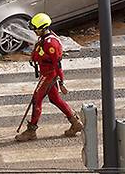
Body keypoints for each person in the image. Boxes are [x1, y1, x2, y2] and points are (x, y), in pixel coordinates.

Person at [15, 13, 84, 142]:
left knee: (37, 100)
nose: (34, 31)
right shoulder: (44, 37)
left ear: (43, 28)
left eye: (36, 29)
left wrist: (62, 82)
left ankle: (31, 131)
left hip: (49, 75)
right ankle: (75, 122)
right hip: (45, 73)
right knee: (55, 99)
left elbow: (57, 64)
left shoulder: (50, 43)